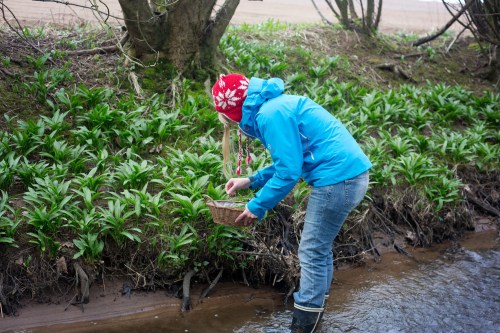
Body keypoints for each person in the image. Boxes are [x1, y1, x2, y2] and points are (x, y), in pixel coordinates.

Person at [211, 73, 372, 333]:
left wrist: (257, 205)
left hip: (338, 180)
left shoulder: (269, 114)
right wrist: (251, 181)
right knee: (319, 250)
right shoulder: (274, 106)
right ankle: (316, 317)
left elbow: (289, 171)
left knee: (311, 251)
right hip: (350, 176)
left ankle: (303, 326)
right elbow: (288, 162)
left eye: (227, 117)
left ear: (234, 109)